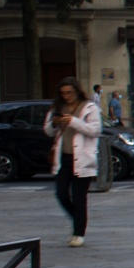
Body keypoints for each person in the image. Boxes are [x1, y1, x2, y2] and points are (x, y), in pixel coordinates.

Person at [44, 79, 102, 246]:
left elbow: (95, 130)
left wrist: (74, 122)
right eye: (63, 93)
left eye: (69, 92)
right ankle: (77, 219)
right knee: (61, 194)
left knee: (79, 198)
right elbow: (48, 131)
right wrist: (54, 124)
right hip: (63, 157)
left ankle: (78, 234)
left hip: (83, 158)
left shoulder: (89, 108)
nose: (66, 96)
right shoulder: (57, 108)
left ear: (77, 91)